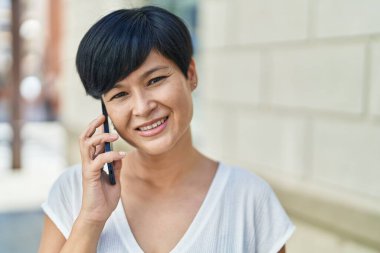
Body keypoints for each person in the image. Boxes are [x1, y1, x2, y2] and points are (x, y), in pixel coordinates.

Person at [38, 5, 294, 253]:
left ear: (190, 74)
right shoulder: (73, 192)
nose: (142, 107)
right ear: (105, 110)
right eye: (120, 94)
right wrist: (91, 219)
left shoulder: (250, 200)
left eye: (155, 80)